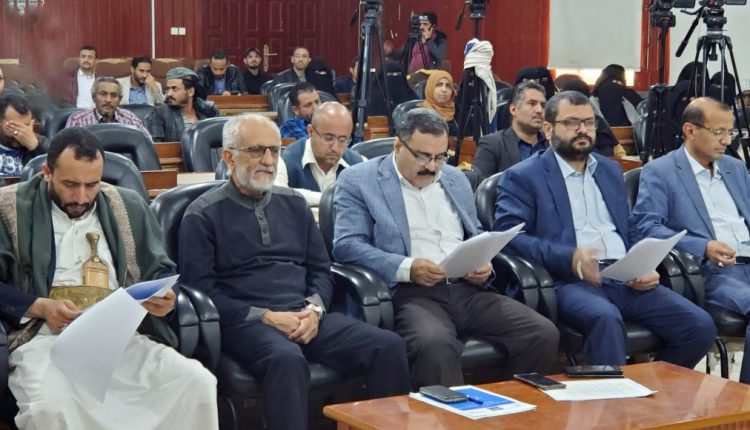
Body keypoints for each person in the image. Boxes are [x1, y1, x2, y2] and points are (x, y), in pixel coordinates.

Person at [178, 114, 410, 430]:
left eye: (274, 151)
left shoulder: (294, 204)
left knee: (388, 346)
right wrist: (266, 317)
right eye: (256, 151)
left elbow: (321, 270)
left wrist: (314, 310)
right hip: (246, 321)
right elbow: (200, 292)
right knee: (286, 359)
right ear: (229, 157)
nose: (268, 160)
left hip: (305, 315)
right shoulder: (202, 214)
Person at [0, 127, 218, 429]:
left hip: (121, 339)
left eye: (92, 185)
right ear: (47, 172)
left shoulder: (127, 204)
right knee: (51, 408)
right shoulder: (8, 207)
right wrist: (39, 306)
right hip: (44, 340)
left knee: (197, 382)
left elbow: (160, 269)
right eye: (70, 184)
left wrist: (166, 298)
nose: (81, 196)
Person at [333, 108, 559, 387]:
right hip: (412, 293)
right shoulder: (358, 180)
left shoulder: (455, 178)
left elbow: (475, 233)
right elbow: (347, 245)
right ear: (398, 146)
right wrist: (408, 267)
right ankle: (453, 412)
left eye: (440, 157)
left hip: (466, 289)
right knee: (435, 345)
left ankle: (506, 407)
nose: (432, 166)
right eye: (423, 156)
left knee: (542, 333)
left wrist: (483, 263)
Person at [494, 91, 716, 367]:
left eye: (589, 122)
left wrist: (644, 264)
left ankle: (650, 389)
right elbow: (510, 238)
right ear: (548, 129)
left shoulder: (609, 170)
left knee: (699, 326)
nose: (583, 130)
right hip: (568, 281)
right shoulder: (524, 176)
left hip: (624, 278)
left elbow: (629, 227)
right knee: (606, 319)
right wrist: (571, 257)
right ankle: (609, 394)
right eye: (572, 123)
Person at [633, 97, 750, 382]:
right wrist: (703, 246)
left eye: (730, 132)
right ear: (690, 130)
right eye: (718, 132)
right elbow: (646, 227)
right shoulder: (661, 171)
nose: (726, 141)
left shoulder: (734, 168)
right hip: (711, 271)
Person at [279, 101, 363, 205]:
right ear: (310, 131)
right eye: (328, 138)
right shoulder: (284, 161)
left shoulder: (358, 163)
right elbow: (280, 197)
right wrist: (335, 199)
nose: (335, 148)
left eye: (342, 140)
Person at [473, 81, 547, 179]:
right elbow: (481, 185)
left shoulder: (552, 144)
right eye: (532, 103)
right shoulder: (492, 145)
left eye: (543, 105)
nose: (539, 110)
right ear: (513, 109)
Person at [145, 67, 219, 142]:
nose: (169, 94)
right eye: (168, 89)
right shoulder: (159, 113)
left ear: (190, 92)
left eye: (175, 89)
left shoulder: (208, 112)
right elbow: (157, 147)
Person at [65, 77, 152, 138]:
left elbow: (148, 144)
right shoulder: (77, 120)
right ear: (93, 97)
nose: (108, 100)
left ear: (120, 99)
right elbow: (66, 151)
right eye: (103, 94)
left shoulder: (130, 119)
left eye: (113, 95)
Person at [0, 94, 49, 177]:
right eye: (15, 126)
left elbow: (55, 170)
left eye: (27, 125)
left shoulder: (41, 141)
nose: (23, 132)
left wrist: (36, 147)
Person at [417, 70, 457, 136]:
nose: (444, 90)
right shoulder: (419, 114)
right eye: (439, 85)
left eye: (448, 86)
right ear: (430, 87)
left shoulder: (458, 110)